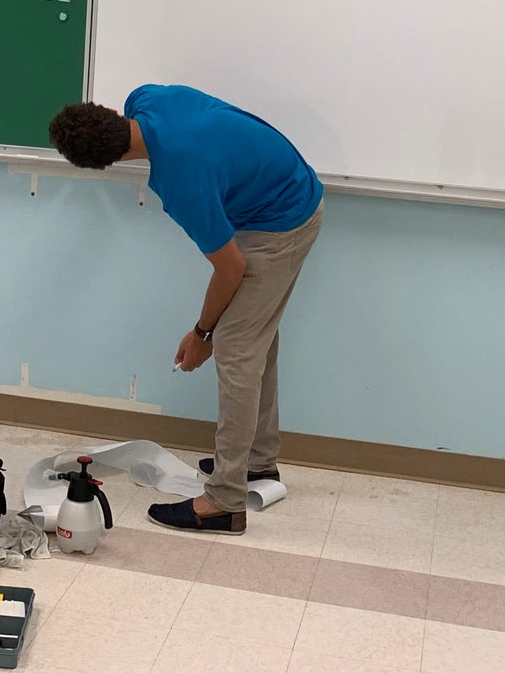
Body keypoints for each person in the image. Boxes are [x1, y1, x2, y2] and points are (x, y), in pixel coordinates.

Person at [48, 86, 323, 536]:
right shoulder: (148, 99)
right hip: (287, 192)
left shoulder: (181, 181)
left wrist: (202, 334)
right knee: (254, 340)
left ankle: (224, 503)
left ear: (105, 164)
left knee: (235, 351)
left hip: (281, 222)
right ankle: (257, 463)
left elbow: (230, 268)